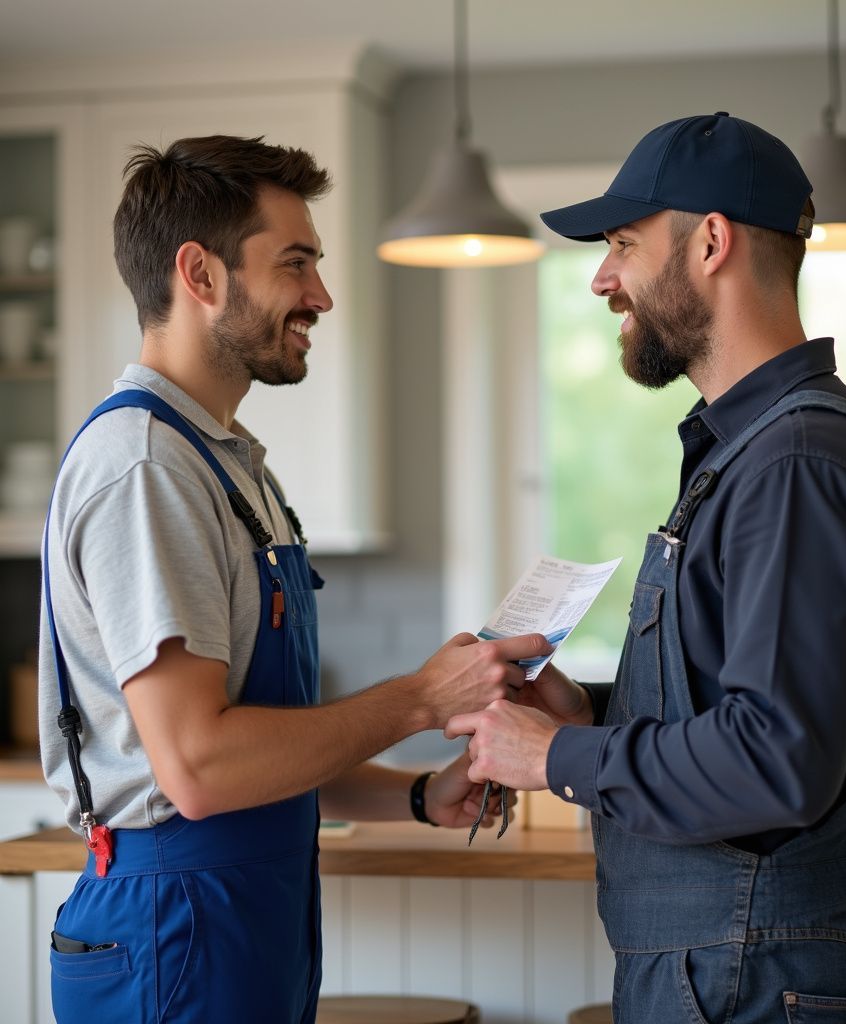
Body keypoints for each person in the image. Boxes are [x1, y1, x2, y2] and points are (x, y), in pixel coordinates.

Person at [39, 134, 549, 1024]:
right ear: (199, 274)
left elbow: (266, 751)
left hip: (237, 919)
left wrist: (421, 796)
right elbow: (198, 767)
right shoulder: (146, 467)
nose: (321, 296)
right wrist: (423, 698)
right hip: (173, 927)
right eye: (295, 264)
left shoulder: (231, 467)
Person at [447, 112, 846, 1024]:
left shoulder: (794, 464)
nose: (602, 277)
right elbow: (740, 707)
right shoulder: (756, 451)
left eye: (624, 243)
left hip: (747, 973)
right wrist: (585, 710)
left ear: (712, 241)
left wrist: (558, 756)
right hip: (733, 967)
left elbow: (777, 758)